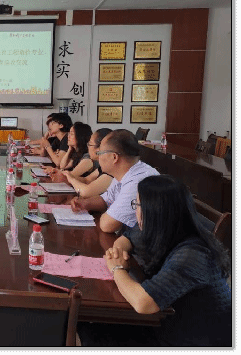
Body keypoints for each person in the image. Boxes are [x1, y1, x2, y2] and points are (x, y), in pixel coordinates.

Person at [78, 175, 231, 345]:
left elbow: (143, 303)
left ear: (154, 212)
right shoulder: (169, 227)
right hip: (167, 322)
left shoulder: (192, 254)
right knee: (87, 323)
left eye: (137, 205)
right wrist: (118, 251)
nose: (135, 211)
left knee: (90, 329)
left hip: (189, 337)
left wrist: (117, 268)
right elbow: (128, 237)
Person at [70, 129, 159, 233]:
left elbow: (107, 225)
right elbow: (106, 199)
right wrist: (85, 203)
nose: (98, 157)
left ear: (114, 157)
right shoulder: (124, 172)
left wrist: (108, 213)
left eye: (100, 153)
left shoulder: (138, 181)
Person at [60, 128, 113, 198]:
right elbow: (87, 180)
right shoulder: (103, 167)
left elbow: (85, 192)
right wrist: (67, 177)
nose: (88, 146)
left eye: (90, 144)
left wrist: (71, 179)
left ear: (99, 149)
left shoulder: (111, 172)